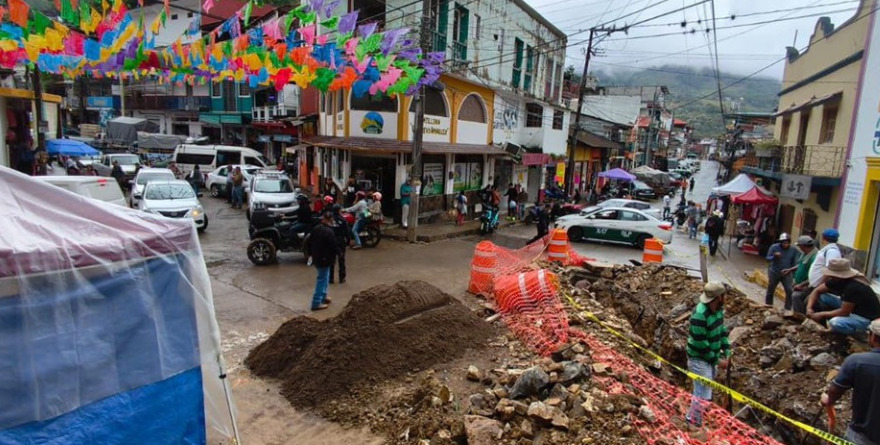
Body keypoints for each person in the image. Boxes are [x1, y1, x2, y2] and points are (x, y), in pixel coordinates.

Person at [820, 318, 880, 445]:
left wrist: (829, 400)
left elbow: (835, 391)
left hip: (861, 437)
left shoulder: (857, 361)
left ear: (873, 336)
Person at [686, 282, 731, 428]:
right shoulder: (700, 314)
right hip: (698, 359)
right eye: (724, 296)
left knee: (705, 392)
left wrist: (727, 350)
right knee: (702, 393)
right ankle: (693, 422)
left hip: (710, 359)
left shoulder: (718, 310)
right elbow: (701, 344)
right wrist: (718, 360)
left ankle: (696, 419)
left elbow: (721, 332)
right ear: (719, 297)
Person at [805, 258, 880, 337]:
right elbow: (817, 291)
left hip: (865, 318)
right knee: (822, 296)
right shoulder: (837, 280)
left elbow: (844, 312)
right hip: (852, 308)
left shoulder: (853, 287)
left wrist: (821, 314)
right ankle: (824, 323)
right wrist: (809, 308)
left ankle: (858, 333)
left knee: (835, 322)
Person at [305, 210, 337, 311]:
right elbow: (333, 246)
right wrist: (339, 253)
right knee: (322, 279)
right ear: (331, 219)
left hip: (317, 257)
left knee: (325, 277)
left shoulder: (316, 229)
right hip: (325, 259)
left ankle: (323, 296)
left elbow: (309, 242)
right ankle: (316, 302)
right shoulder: (329, 232)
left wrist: (310, 254)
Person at [764, 233, 800, 307]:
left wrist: (793, 273)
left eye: (787, 243)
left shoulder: (793, 250)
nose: (785, 244)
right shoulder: (774, 247)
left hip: (787, 273)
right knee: (771, 288)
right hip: (774, 271)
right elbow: (767, 258)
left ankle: (788, 307)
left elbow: (795, 262)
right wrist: (774, 256)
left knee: (789, 290)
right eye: (783, 243)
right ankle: (768, 304)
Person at [790, 236, 819, 316]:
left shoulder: (815, 257)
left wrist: (802, 285)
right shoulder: (805, 253)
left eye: (799, 246)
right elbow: (801, 264)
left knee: (796, 296)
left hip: (808, 285)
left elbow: (815, 276)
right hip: (799, 282)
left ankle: (800, 317)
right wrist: (790, 269)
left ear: (803, 246)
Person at [329, 204, 350, 285]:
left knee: (331, 260)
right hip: (340, 242)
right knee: (341, 260)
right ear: (339, 210)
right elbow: (347, 232)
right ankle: (342, 278)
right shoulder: (343, 220)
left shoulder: (330, 219)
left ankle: (330, 278)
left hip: (331, 241)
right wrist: (348, 241)